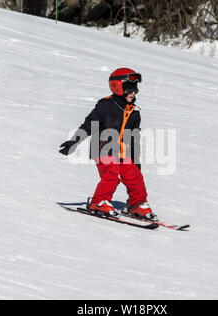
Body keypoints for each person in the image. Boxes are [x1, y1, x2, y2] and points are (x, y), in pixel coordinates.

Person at [59, 68, 156, 221]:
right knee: (111, 173)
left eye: (136, 89)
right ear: (117, 86)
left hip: (121, 152)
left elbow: (133, 138)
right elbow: (89, 124)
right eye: (130, 89)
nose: (134, 93)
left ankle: (137, 204)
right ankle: (98, 202)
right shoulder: (105, 105)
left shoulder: (135, 112)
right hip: (102, 148)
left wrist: (135, 160)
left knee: (135, 176)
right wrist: (74, 141)